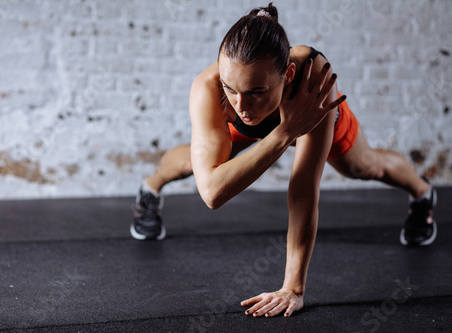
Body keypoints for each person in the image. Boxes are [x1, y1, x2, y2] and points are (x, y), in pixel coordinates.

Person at [130, 3, 438, 318]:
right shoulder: (209, 89)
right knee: (192, 166)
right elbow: (211, 192)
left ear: (288, 74)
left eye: (256, 91)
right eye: (231, 88)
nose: (241, 105)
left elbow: (303, 190)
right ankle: (150, 187)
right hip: (287, 124)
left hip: (310, 113)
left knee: (362, 167)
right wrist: (283, 133)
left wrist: (293, 288)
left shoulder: (315, 79)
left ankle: (422, 192)